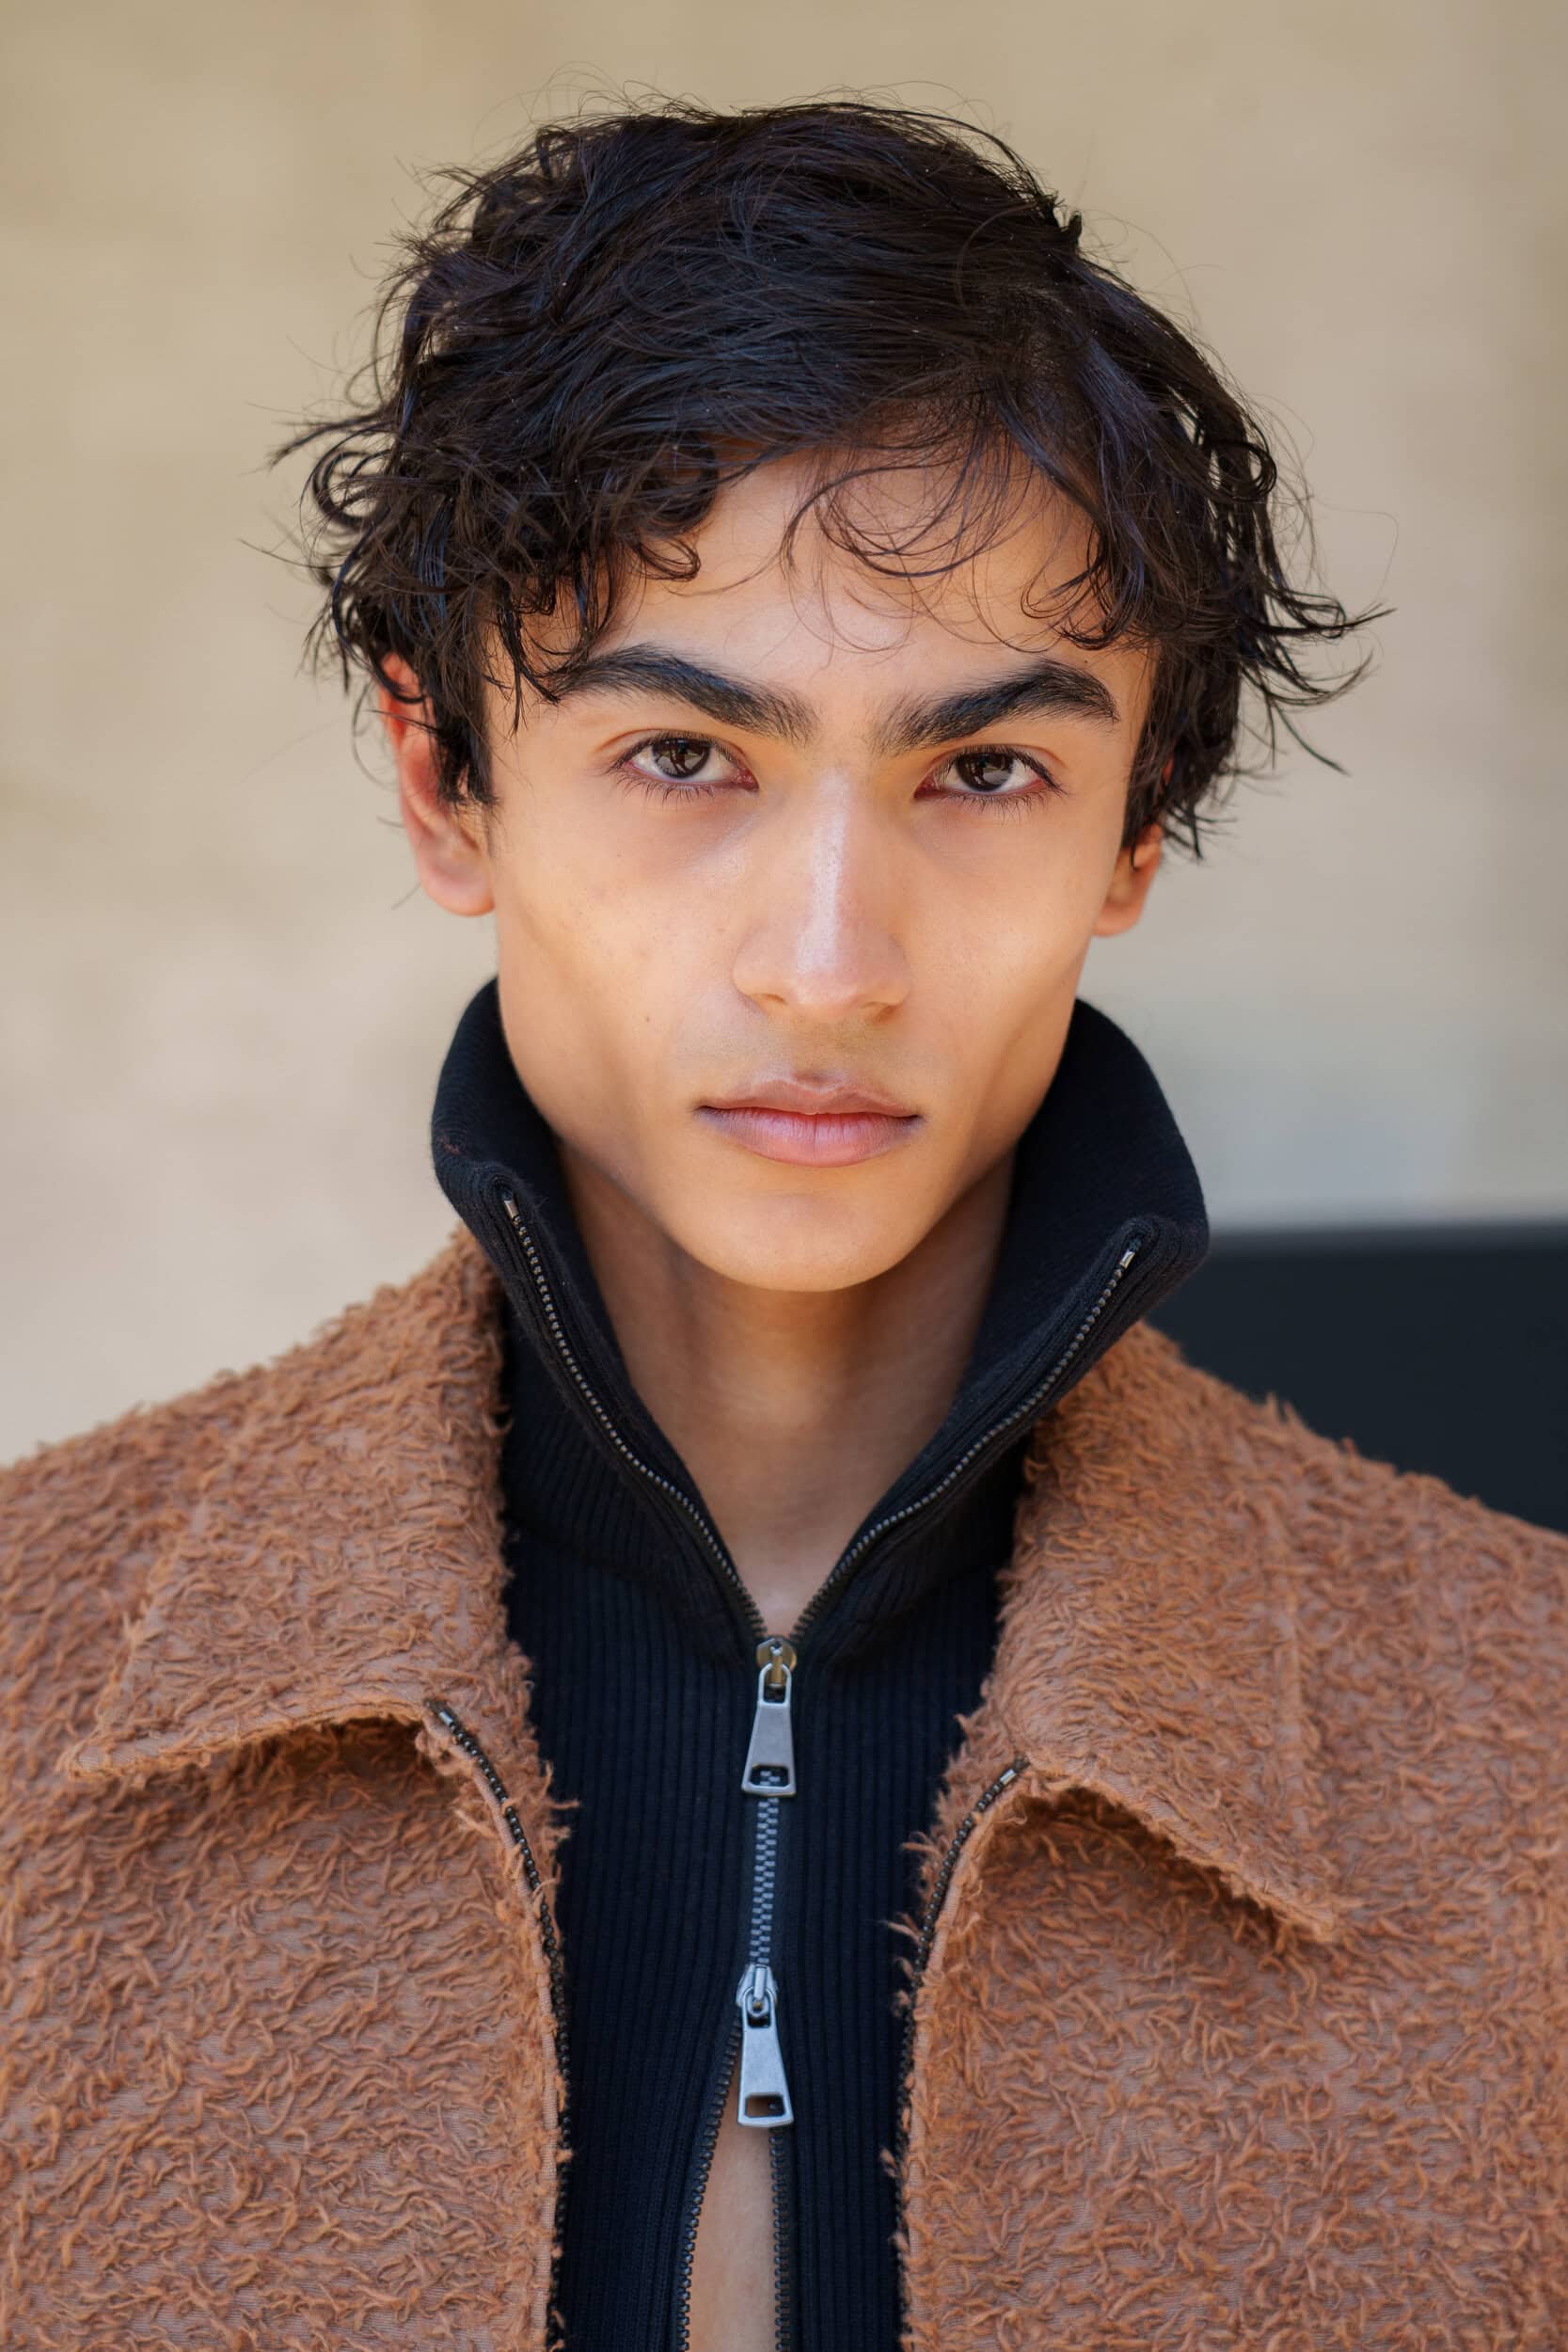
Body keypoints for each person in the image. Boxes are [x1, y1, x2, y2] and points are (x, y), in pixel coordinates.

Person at [3, 95, 1563, 2352]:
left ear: (1136, 831)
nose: (830, 961)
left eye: (986, 771)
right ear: (447, 783)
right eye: (684, 757)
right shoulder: (33, 1662)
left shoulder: (1531, 1745)